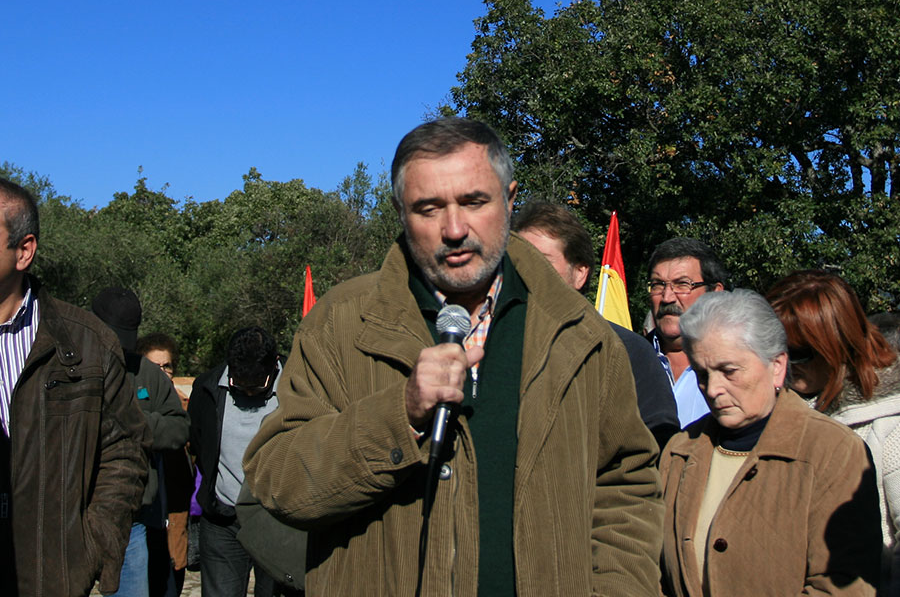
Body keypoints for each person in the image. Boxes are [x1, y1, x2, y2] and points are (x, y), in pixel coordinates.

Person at [244, 117, 663, 596]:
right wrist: (397, 416)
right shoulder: (340, 324)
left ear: (509, 199)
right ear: (400, 213)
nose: (455, 228)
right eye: (429, 208)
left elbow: (625, 484)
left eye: (474, 201)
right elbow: (278, 481)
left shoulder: (581, 333)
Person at [660, 289, 882, 596]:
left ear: (777, 366)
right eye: (701, 373)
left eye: (729, 371)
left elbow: (843, 585)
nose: (712, 389)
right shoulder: (678, 452)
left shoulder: (833, 451)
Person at [0, 179, 150, 596]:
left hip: (51, 576)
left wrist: (92, 544)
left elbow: (125, 449)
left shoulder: (87, 344)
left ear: (23, 250)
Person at [767, 270, 900, 594]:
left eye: (797, 352)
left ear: (835, 345)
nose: (783, 364)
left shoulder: (891, 428)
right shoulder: (783, 412)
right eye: (772, 348)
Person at [511, 200, 679, 449]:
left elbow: (650, 456)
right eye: (519, 262)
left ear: (579, 273)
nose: (527, 272)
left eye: (542, 261)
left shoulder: (626, 352)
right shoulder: (490, 344)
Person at [92, 288, 190, 597]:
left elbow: (179, 429)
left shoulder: (148, 375)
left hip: (133, 518)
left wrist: (139, 422)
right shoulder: (66, 367)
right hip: (73, 513)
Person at [188, 326, 283, 597]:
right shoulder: (206, 389)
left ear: (275, 364)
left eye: (259, 387)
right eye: (241, 386)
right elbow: (198, 441)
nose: (249, 394)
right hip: (223, 522)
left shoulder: (299, 388)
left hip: (278, 522)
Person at [137, 332, 195, 597]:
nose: (162, 373)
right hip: (140, 523)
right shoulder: (130, 406)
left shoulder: (186, 408)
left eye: (167, 366)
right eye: (154, 366)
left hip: (174, 518)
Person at [647, 237, 728, 427]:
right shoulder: (627, 360)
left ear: (715, 293)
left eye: (682, 284)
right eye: (658, 284)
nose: (667, 297)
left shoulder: (739, 365)